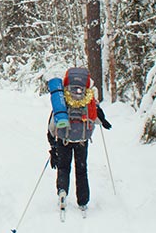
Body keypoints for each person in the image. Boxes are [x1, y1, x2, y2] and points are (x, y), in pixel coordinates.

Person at [46, 66, 111, 212]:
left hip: (64, 139)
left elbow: (52, 124)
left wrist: (52, 145)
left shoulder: (62, 99)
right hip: (82, 139)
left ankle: (62, 192)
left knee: (63, 167)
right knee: (81, 169)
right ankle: (82, 201)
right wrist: (104, 121)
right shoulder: (88, 99)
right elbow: (97, 118)